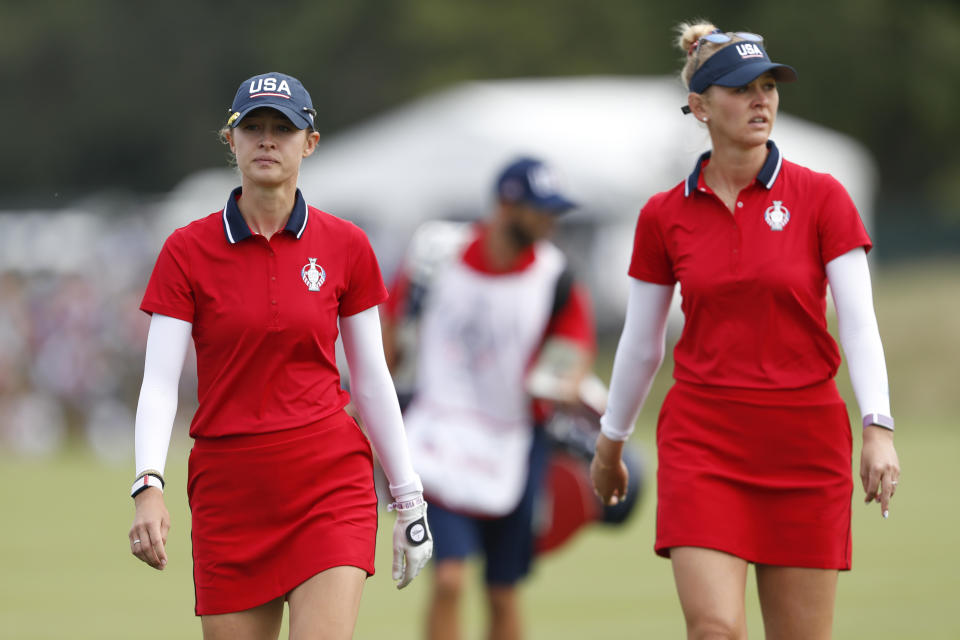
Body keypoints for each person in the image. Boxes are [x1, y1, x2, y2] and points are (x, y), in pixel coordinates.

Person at [590, 22, 901, 640]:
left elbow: (859, 324)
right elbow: (642, 343)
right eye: (741, 89)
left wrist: (878, 426)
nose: (761, 100)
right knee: (714, 629)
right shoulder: (663, 215)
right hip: (704, 442)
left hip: (804, 445)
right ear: (700, 107)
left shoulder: (822, 197)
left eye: (768, 86)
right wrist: (611, 442)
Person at [127, 71, 432, 640]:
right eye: (255, 128)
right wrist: (149, 484)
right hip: (230, 491)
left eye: (283, 129)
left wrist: (408, 496)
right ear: (232, 139)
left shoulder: (346, 245)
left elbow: (371, 379)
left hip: (328, 481)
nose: (268, 140)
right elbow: (159, 384)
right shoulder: (186, 250)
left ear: (309, 143)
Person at [381, 157, 596, 640]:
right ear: (504, 206)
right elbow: (390, 340)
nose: (549, 221)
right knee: (450, 578)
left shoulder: (556, 276)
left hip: (515, 442)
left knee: (503, 589)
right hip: (437, 435)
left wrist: (565, 388)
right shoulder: (437, 257)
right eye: (539, 209)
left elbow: (572, 354)